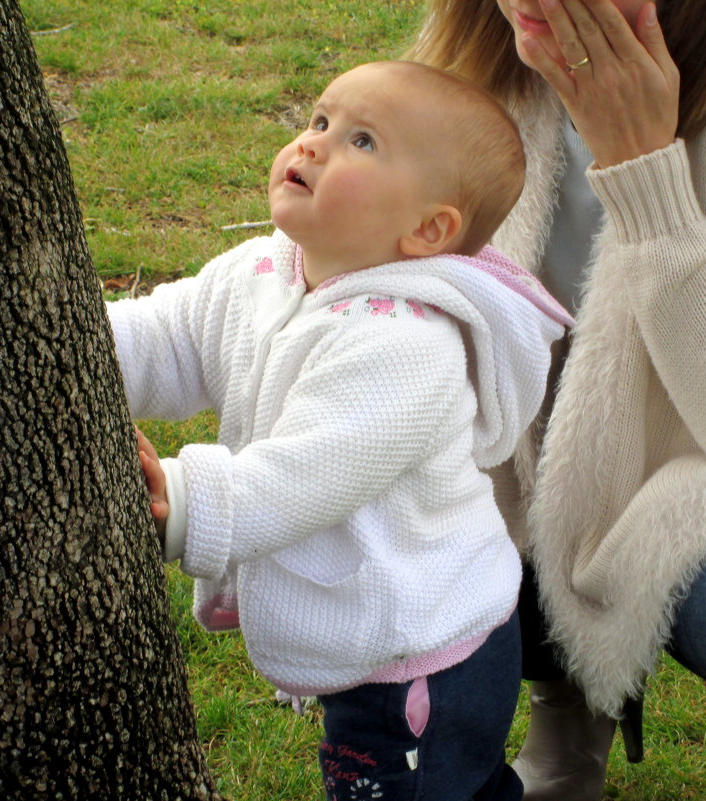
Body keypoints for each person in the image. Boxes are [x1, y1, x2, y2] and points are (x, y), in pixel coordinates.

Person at [107, 60, 573, 800]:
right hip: (376, 629)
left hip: (421, 656)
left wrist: (184, 497)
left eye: (361, 141)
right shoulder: (265, 268)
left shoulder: (408, 348)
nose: (314, 144)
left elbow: (306, 472)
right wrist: (78, 343)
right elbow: (170, 336)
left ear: (428, 228)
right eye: (320, 121)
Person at [407, 1, 706, 799]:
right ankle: (567, 706)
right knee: (410, 493)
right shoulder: (484, 44)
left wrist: (643, 164)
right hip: (573, 458)